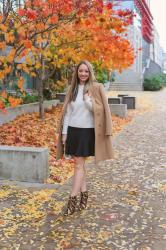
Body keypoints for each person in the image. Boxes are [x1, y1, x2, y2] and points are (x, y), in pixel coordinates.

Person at [56, 60, 113, 215]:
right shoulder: (72, 88)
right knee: (79, 165)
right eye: (80, 71)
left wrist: (88, 101)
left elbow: (99, 112)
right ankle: (84, 197)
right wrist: (64, 133)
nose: (83, 74)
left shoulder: (96, 87)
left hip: (87, 133)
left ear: (90, 72)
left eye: (86, 71)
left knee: (78, 165)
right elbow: (67, 113)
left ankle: (71, 201)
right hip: (73, 132)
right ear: (77, 72)